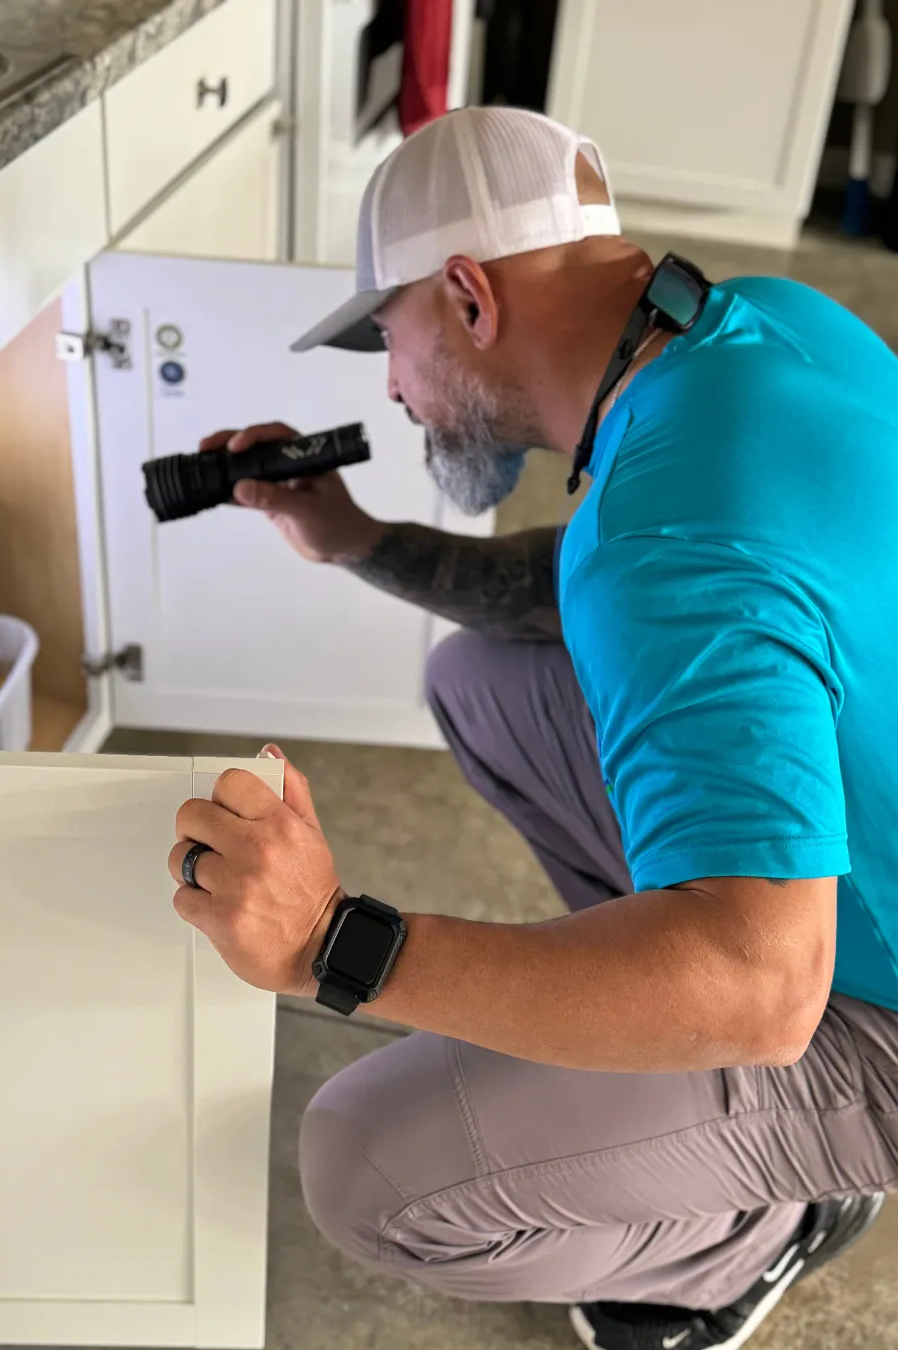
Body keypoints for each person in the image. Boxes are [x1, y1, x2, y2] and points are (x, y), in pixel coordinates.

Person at [167, 107, 898, 1350]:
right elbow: (618, 587)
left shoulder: (665, 543)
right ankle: (669, 1079)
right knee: (484, 682)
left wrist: (334, 946)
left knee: (362, 1162)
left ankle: (749, 1236)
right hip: (845, 867)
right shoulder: (767, 332)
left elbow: (768, 990)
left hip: (856, 1000)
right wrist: (353, 541)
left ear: (466, 295)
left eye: (387, 338)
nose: (392, 384)